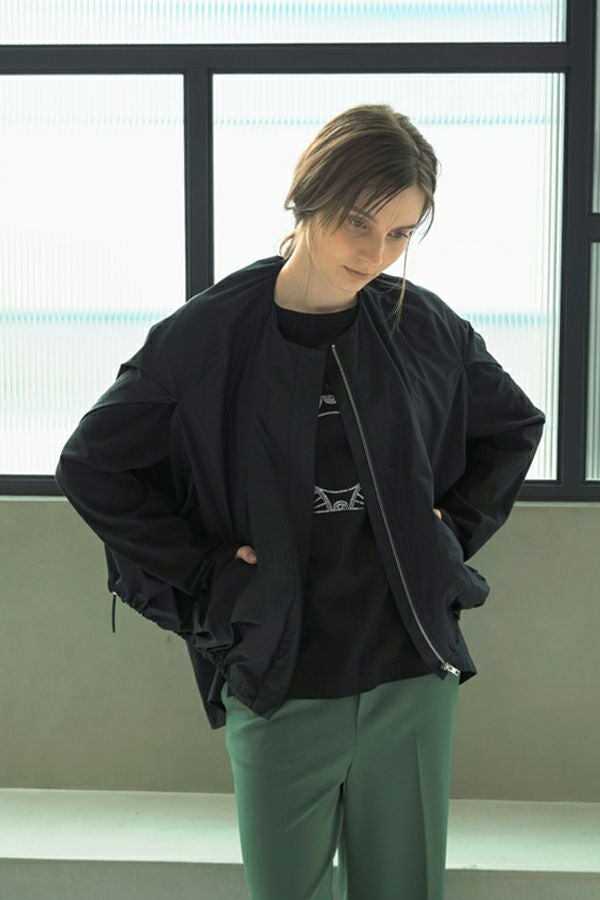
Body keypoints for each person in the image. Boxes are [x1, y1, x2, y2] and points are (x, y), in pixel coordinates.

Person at [55, 103, 546, 900]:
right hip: (279, 680)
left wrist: (449, 530)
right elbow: (92, 464)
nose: (376, 254)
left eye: (400, 233)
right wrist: (207, 571)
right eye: (359, 223)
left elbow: (514, 426)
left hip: (410, 676)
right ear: (308, 196)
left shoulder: (422, 327)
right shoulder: (207, 336)